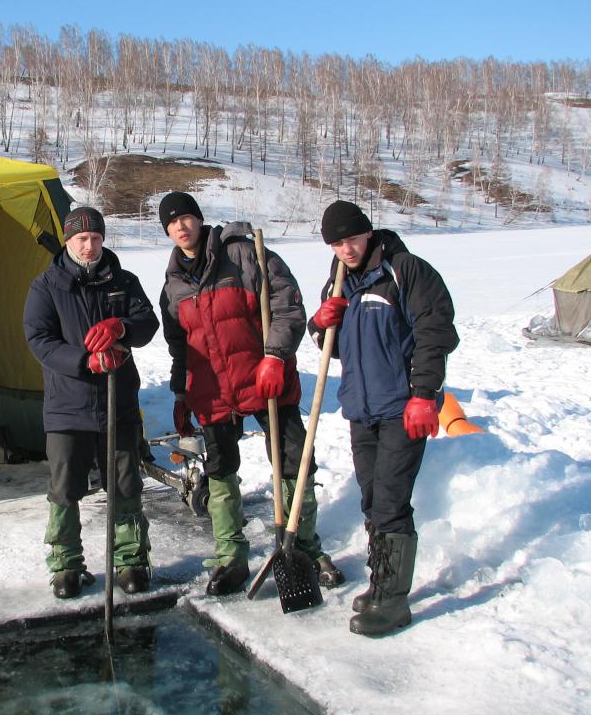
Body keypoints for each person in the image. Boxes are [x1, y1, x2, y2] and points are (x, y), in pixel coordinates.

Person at [158, 191, 344, 596]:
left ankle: (305, 548)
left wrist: (276, 356)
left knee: (294, 462)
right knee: (220, 469)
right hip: (213, 391)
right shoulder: (172, 285)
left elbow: (288, 307)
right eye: (172, 223)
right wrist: (180, 395)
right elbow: (180, 348)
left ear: (199, 219)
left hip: (266, 379)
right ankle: (231, 556)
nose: (181, 227)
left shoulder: (246, 255)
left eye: (186, 218)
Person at [309, 200, 459, 636]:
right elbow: (333, 347)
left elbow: (436, 334)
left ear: (368, 233)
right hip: (361, 408)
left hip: (401, 406)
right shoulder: (338, 282)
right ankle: (380, 584)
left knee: (391, 503)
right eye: (336, 243)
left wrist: (425, 396)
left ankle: (394, 603)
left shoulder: (405, 271)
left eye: (351, 239)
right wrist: (320, 325)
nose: (345, 249)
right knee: (372, 500)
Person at [24, 206, 159, 599]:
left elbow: (147, 323)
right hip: (68, 404)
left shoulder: (123, 280)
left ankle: (130, 559)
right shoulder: (46, 286)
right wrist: (85, 361)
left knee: (125, 483)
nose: (89, 246)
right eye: (81, 239)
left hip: (118, 400)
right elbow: (39, 340)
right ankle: (66, 565)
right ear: (68, 240)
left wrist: (123, 327)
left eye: (96, 238)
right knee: (65, 487)